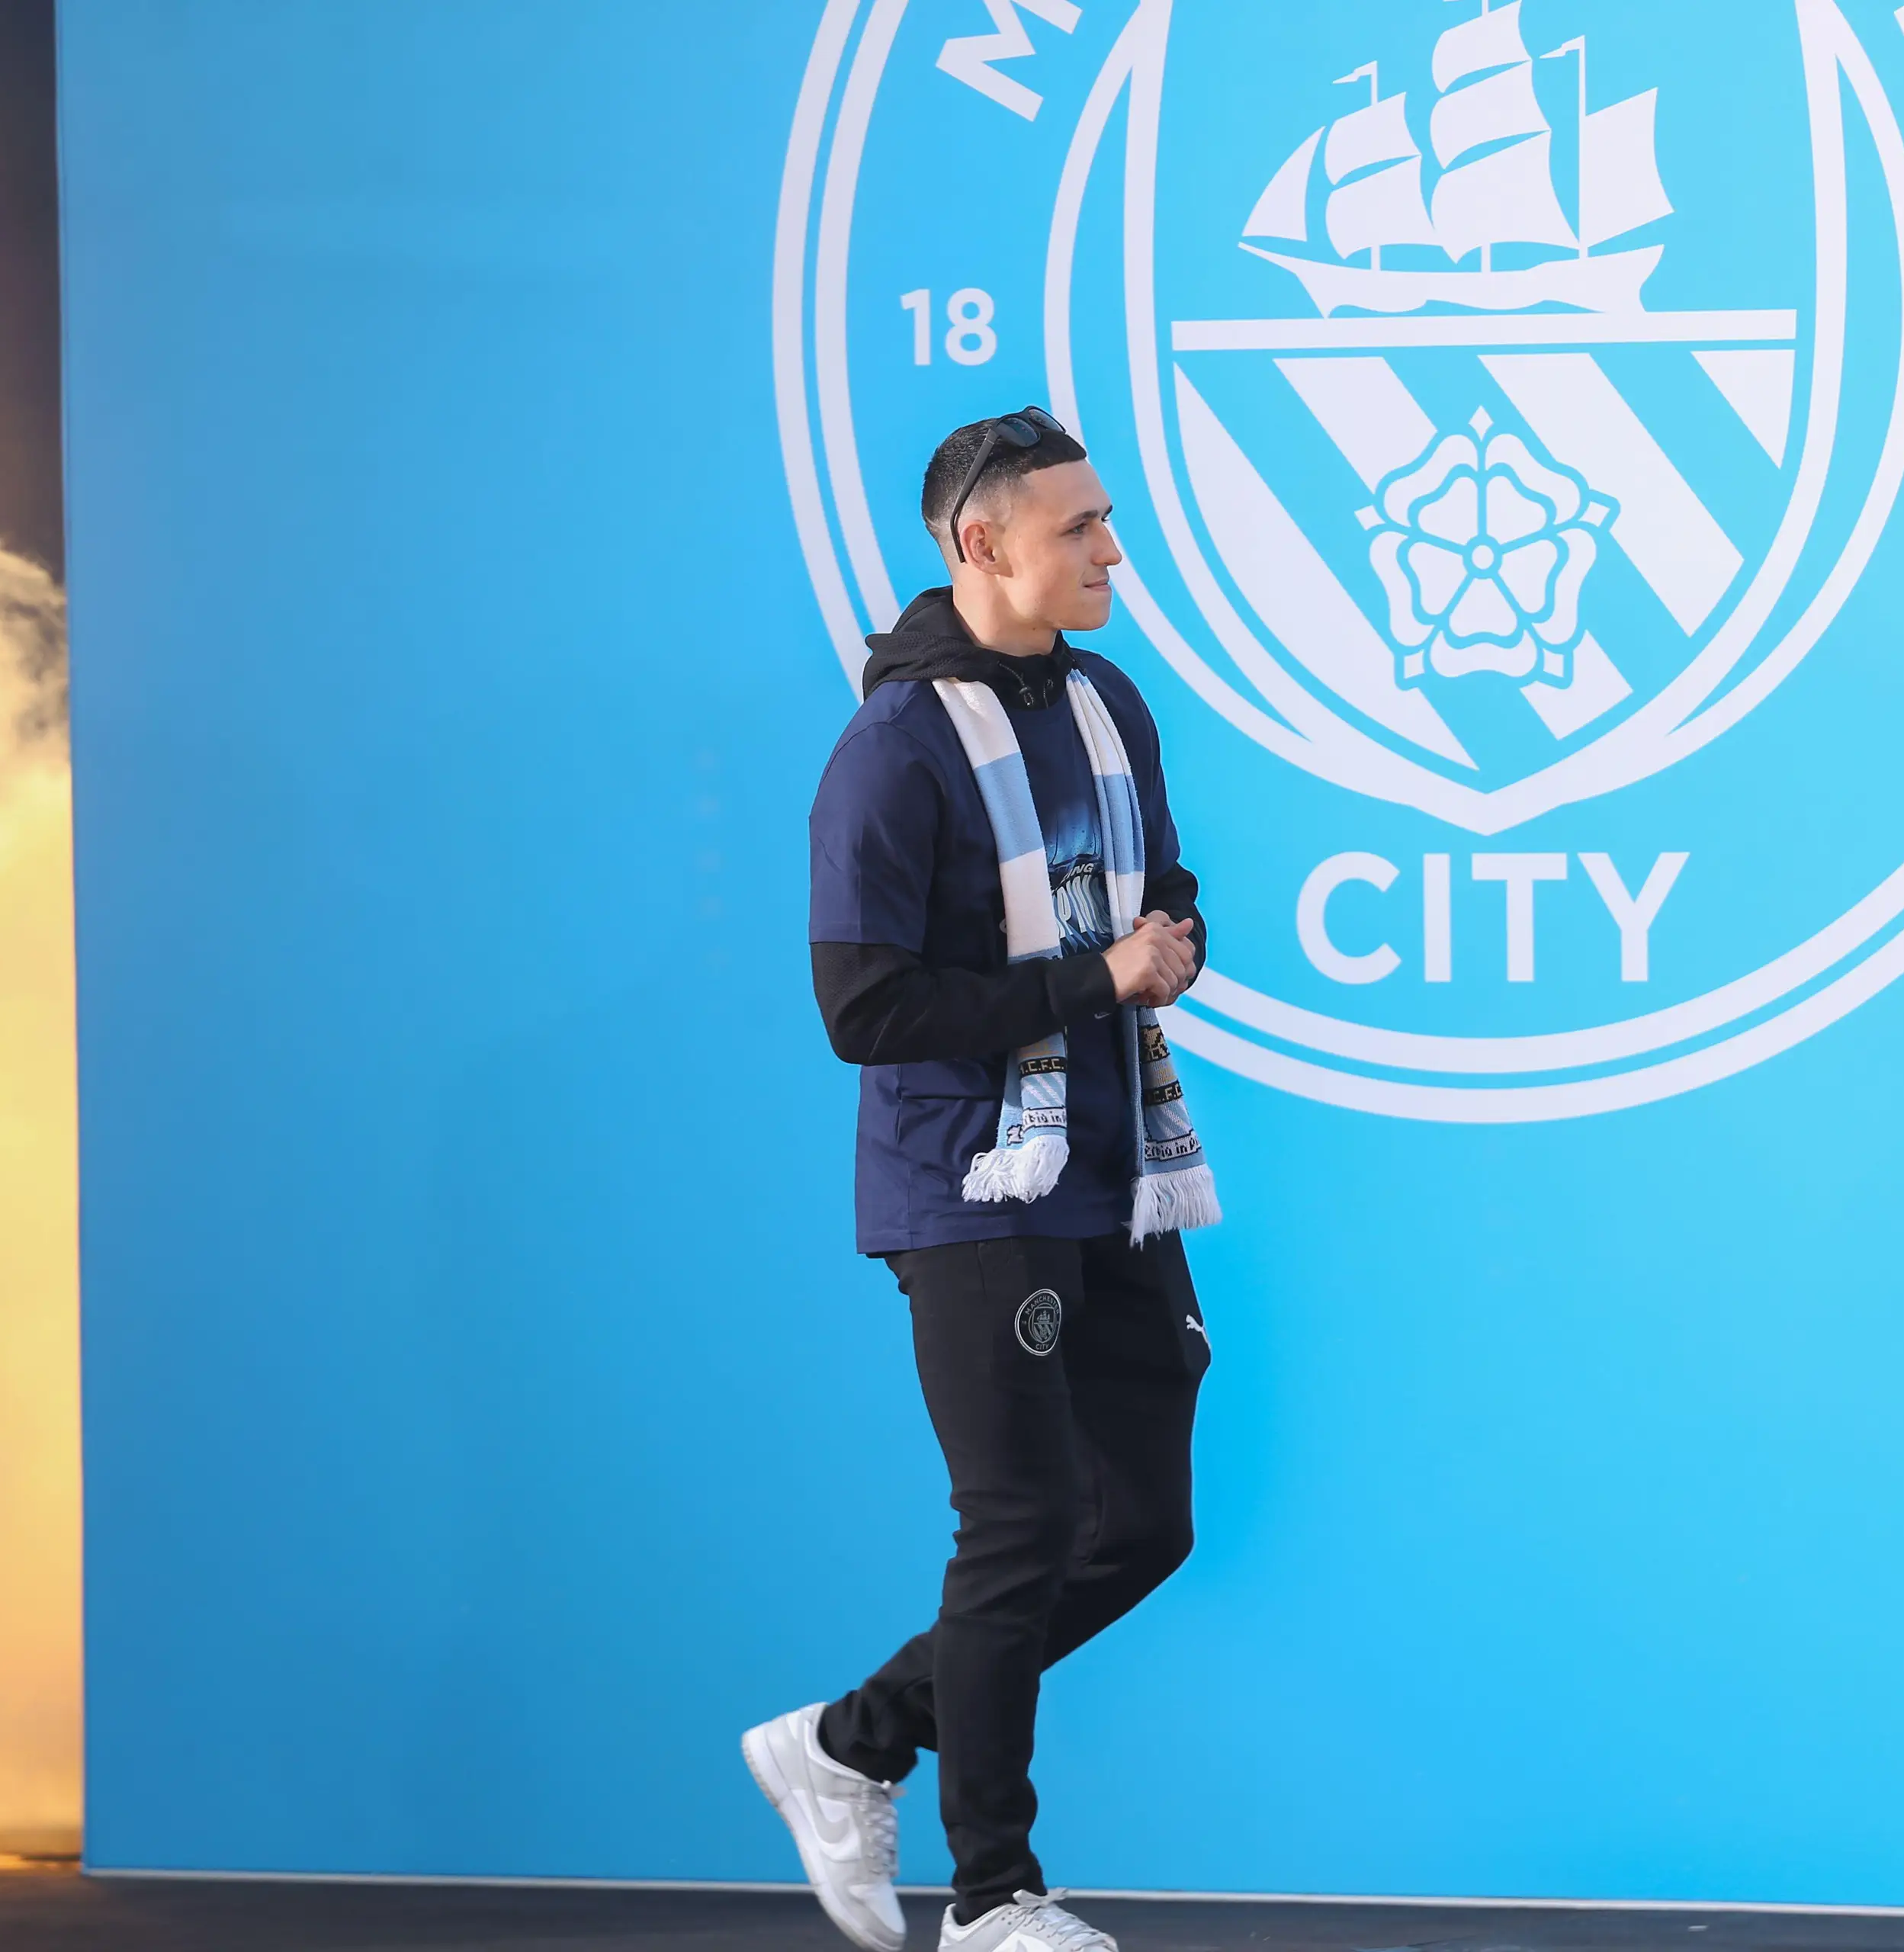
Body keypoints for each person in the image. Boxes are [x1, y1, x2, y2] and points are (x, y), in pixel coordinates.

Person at [744, 408, 1221, 1952]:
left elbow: (1161, 883)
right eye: (1081, 527)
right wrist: (1100, 975)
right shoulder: (891, 749)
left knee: (1141, 1522)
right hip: (970, 1184)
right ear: (980, 542)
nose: (1112, 552)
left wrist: (1178, 940)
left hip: (1114, 1164)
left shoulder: (1108, 703)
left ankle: (854, 1737)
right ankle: (995, 1893)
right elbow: (864, 1009)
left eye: (1107, 521)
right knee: (1017, 1519)